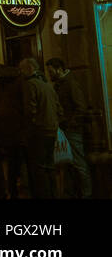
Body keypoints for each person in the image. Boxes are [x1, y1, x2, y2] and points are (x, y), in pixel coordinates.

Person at [46, 58, 92, 198]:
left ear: (59, 69)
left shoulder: (70, 83)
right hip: (66, 129)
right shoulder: (60, 84)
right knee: (70, 164)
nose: (49, 74)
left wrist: (70, 123)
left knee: (78, 163)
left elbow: (81, 107)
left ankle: (86, 194)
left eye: (51, 71)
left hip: (72, 130)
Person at [19, 58, 59, 199]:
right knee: (49, 166)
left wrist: (28, 130)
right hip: (51, 130)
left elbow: (30, 110)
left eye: (22, 69)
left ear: (29, 68)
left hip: (38, 132)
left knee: (39, 169)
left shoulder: (30, 85)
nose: (21, 73)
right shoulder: (47, 85)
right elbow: (57, 107)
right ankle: (53, 194)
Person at [0, 65, 25, 198]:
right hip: (18, 130)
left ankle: (5, 190)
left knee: (2, 164)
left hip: (1, 131)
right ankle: (15, 191)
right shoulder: (20, 83)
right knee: (16, 163)